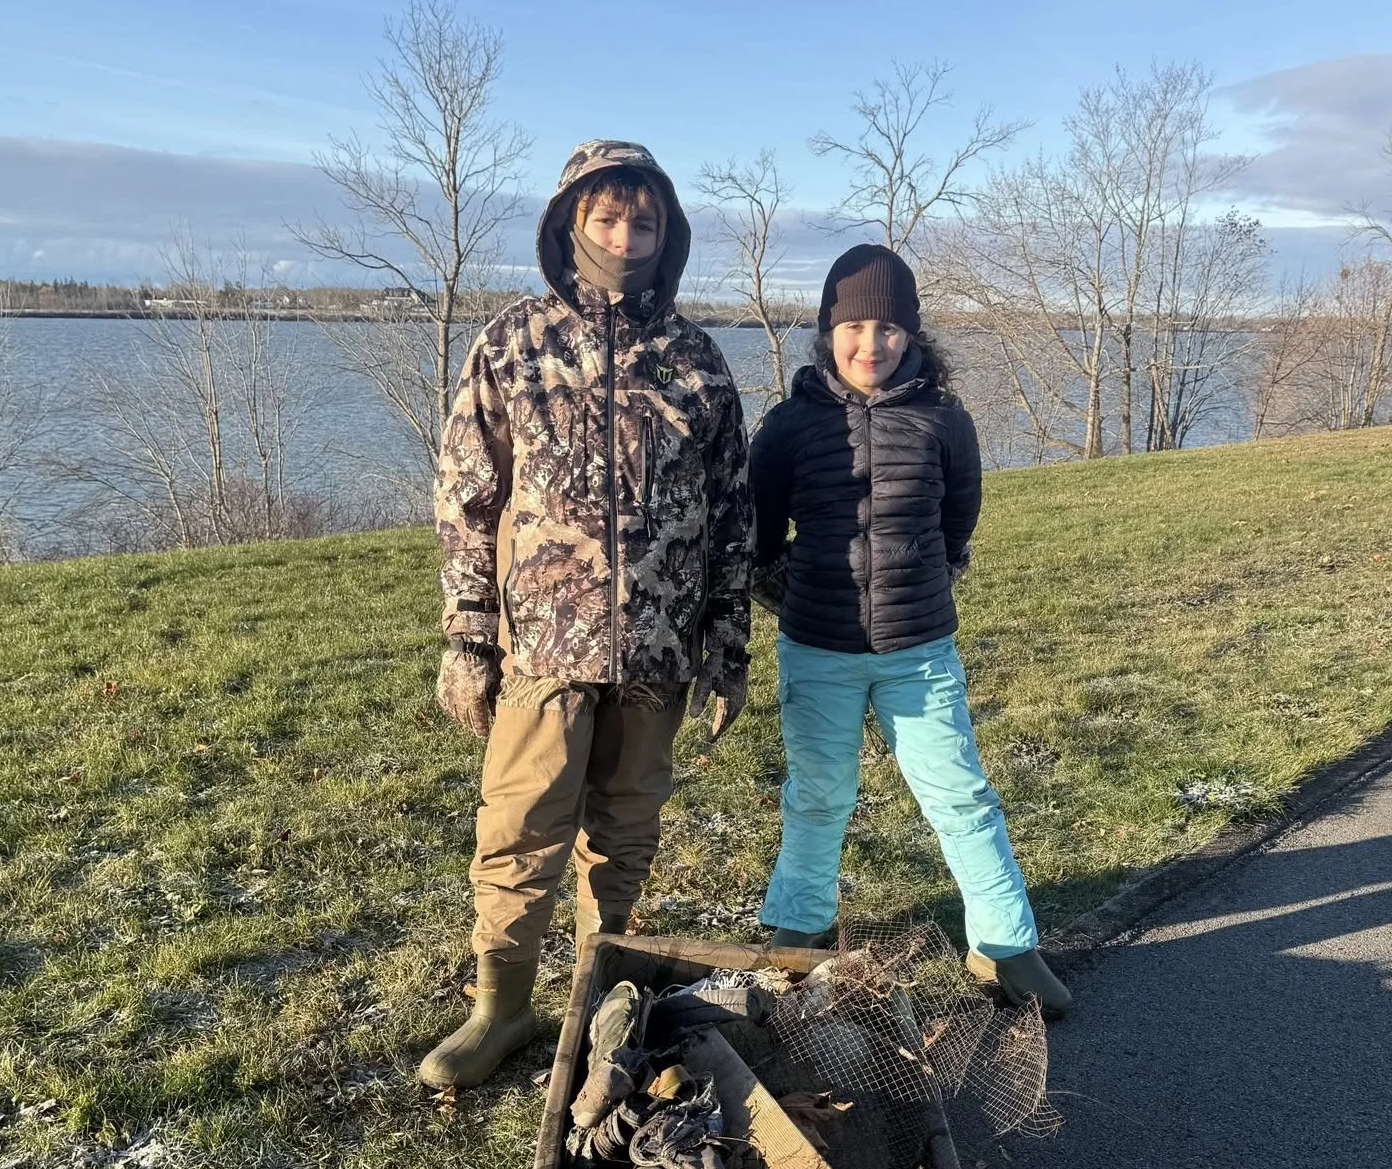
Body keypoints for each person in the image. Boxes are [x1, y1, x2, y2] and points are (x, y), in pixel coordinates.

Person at [420, 140, 753, 1090]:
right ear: (573, 222)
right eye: (608, 218)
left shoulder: (695, 360)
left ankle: (597, 992)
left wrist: (727, 648)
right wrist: (468, 635)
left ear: (666, 231)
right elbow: (467, 496)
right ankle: (501, 1008)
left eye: (644, 221)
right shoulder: (513, 344)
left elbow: (733, 514)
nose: (626, 236)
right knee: (520, 827)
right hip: (543, 645)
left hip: (659, 649)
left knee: (626, 827)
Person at [751, 244, 1071, 1017]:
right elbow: (758, 537)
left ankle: (1004, 944)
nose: (872, 344)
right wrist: (801, 594)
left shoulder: (944, 420)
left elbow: (958, 521)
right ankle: (800, 926)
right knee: (818, 796)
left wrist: (921, 586)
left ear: (912, 334)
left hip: (919, 653)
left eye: (889, 328)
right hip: (817, 650)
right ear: (828, 331)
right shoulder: (789, 425)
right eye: (855, 327)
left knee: (962, 797)